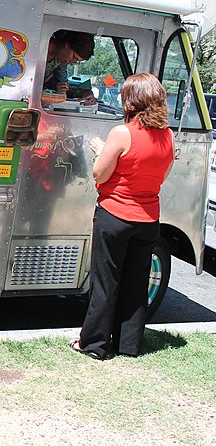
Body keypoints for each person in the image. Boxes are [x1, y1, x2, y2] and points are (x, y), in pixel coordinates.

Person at [70, 72, 174, 360]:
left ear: (132, 100)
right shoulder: (167, 134)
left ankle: (93, 344)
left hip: (115, 214)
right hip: (148, 219)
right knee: (135, 283)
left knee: (106, 281)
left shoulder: (122, 132)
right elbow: (162, 175)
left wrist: (103, 151)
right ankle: (129, 344)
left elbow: (99, 173)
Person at [43, 30, 96, 105]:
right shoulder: (39, 49)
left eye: (76, 61)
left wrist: (84, 93)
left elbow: (63, 86)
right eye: (74, 57)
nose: (72, 63)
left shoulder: (61, 62)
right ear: (67, 45)